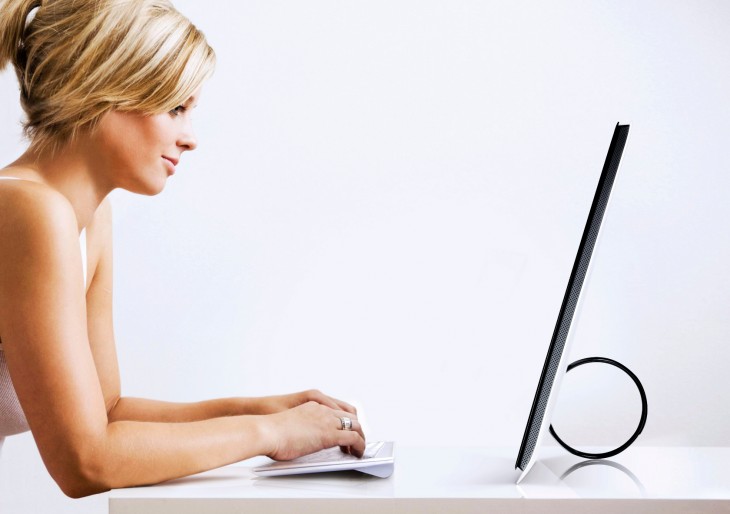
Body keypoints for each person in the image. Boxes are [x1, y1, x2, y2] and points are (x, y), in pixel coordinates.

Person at [0, 0, 365, 498]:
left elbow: (106, 414)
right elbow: (84, 461)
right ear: (103, 89)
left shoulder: (86, 218)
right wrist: (271, 435)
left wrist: (265, 411)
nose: (190, 139)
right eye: (176, 108)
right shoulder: (27, 209)